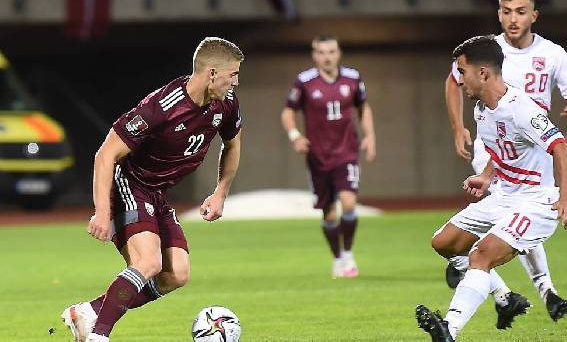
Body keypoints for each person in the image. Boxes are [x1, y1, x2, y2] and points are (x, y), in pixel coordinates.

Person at [61, 37, 245, 342]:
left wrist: (220, 192)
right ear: (212, 73)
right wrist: (103, 212)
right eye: (233, 74)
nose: (236, 82)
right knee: (148, 263)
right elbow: (106, 154)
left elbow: (233, 143)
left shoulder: (225, 105)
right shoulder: (161, 107)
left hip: (157, 193)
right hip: (130, 184)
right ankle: (99, 336)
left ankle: (90, 313)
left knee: (176, 275)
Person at [442, 0, 567, 322]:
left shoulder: (552, 55)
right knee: (492, 227)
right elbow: (453, 81)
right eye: (506, 12)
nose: (512, 18)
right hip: (496, 149)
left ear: (534, 15)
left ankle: (523, 286)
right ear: (498, 14)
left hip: (534, 143)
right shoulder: (485, 53)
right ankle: (506, 286)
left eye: (520, 11)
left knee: (518, 217)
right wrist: (458, 128)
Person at [417, 35, 567, 342]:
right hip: (504, 195)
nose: (459, 80)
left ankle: (449, 328)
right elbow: (501, 149)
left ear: (484, 74)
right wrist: (487, 177)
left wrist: (565, 199)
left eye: (462, 72)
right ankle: (504, 297)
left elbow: (563, 150)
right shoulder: (481, 109)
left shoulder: (522, 109)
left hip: (536, 201)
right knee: (445, 243)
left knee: (481, 255)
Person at [281, 35, 376, 279]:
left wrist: (369, 135)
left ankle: (348, 254)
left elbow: (363, 107)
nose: (327, 57)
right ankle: (336, 257)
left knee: (348, 203)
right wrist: (295, 136)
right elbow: (288, 112)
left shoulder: (353, 79)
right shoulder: (304, 82)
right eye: (322, 52)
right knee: (329, 214)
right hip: (318, 156)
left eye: (331, 51)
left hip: (347, 152)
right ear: (315, 55)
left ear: (339, 53)